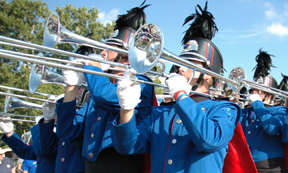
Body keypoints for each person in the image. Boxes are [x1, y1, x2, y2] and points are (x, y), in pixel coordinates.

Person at [113, 2, 242, 172]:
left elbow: (209, 139)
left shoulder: (224, 109)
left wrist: (181, 95)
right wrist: (127, 108)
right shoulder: (161, 112)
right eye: (180, 62)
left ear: (208, 74)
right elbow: (128, 146)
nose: (180, 68)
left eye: (189, 63)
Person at [56, 1, 155, 173]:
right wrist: (72, 86)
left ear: (127, 54)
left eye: (110, 48)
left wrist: (93, 68)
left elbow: (106, 97)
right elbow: (67, 130)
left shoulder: (141, 82)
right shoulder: (101, 85)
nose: (103, 53)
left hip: (122, 166)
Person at [239, 49, 288, 172]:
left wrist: (257, 104)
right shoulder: (247, 111)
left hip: (270, 167)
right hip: (246, 163)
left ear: (269, 94)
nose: (253, 93)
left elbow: (272, 128)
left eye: (258, 90)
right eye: (252, 90)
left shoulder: (279, 110)